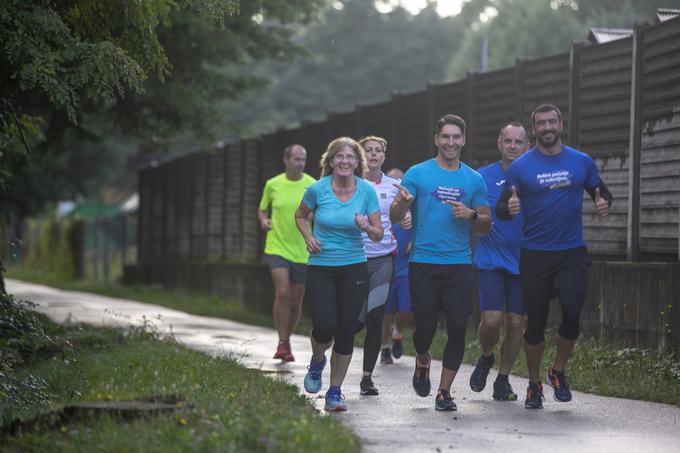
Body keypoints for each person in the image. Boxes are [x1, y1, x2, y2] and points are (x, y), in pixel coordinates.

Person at [496, 104, 612, 409]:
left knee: (573, 312)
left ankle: (557, 371)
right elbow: (500, 207)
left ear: (561, 124)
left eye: (552, 122)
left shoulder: (581, 161)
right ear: (534, 129)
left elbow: (601, 191)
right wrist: (508, 208)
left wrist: (604, 203)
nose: (547, 127)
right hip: (535, 254)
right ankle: (534, 382)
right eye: (541, 123)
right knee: (535, 324)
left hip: (571, 252)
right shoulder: (521, 167)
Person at [390, 114, 492, 412]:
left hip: (459, 265)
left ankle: (444, 392)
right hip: (422, 262)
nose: (450, 142)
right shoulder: (418, 173)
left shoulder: (473, 179)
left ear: (463, 140)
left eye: (455, 137)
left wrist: (472, 215)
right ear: (436, 140)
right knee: (423, 330)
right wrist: (402, 203)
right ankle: (423, 359)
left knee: (459, 327)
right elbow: (396, 217)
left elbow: (486, 224)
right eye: (444, 137)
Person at [295, 137, 383, 412]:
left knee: (346, 330)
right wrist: (308, 236)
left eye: (351, 158)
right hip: (321, 266)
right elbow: (300, 216)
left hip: (354, 265)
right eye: (340, 157)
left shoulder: (366, 191)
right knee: (324, 325)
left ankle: (335, 391)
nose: (345, 162)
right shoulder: (317, 189)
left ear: (358, 163)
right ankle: (317, 359)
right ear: (330, 161)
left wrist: (367, 227)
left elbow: (379, 235)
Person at [469, 122, 530, 401]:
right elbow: (470, 211)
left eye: (519, 142)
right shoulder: (482, 177)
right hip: (490, 259)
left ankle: (503, 379)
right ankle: (486, 355)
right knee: (492, 322)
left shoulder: (534, 179)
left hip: (524, 262)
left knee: (516, 324)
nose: (513, 146)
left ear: (527, 145)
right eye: (508, 141)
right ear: (499, 144)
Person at [354, 137, 406, 396]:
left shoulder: (394, 185)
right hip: (352, 258)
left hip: (383, 258)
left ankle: (366, 378)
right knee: (354, 322)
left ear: (385, 156)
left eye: (379, 151)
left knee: (376, 317)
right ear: (360, 156)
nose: (373, 154)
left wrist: (406, 216)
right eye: (368, 151)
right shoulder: (350, 184)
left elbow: (401, 213)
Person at [257, 144, 316, 362]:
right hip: (277, 246)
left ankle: (287, 339)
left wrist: (313, 217)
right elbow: (262, 208)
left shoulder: (312, 184)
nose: (300, 163)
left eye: (303, 159)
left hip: (302, 249)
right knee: (282, 293)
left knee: (294, 301)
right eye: (297, 159)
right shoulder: (273, 184)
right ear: (286, 160)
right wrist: (264, 220)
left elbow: (320, 210)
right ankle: (282, 342)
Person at [380, 168, 413, 365]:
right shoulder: (380, 210)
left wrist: (414, 241)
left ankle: (398, 332)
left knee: (405, 311)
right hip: (385, 266)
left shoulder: (411, 211)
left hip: (405, 269)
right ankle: (384, 348)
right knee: (385, 313)